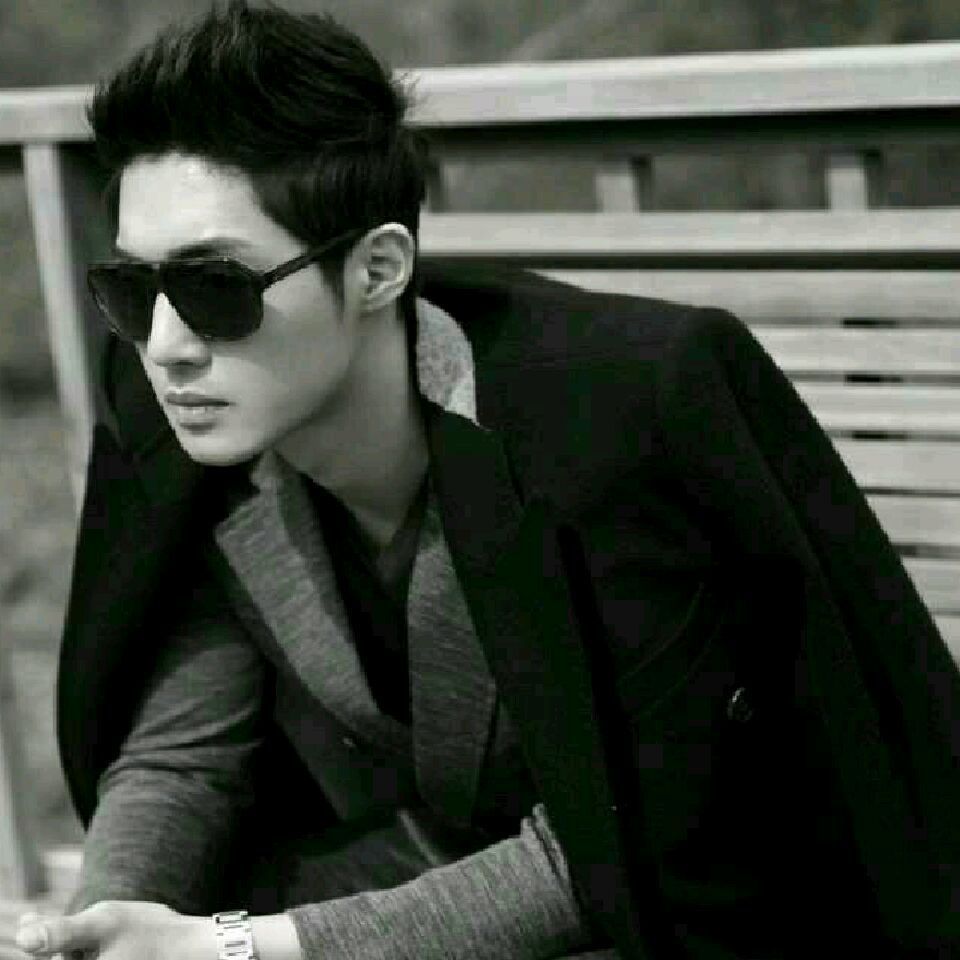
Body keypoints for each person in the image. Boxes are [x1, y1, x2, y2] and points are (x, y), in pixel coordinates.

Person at [15, 2, 960, 958]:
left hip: (701, 906)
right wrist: (101, 926)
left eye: (215, 286)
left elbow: (629, 841)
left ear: (378, 269)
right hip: (432, 869)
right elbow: (186, 752)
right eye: (133, 287)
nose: (165, 344)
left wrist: (240, 948)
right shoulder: (186, 417)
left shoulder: (617, 416)